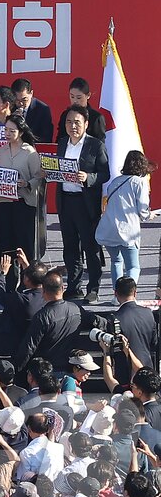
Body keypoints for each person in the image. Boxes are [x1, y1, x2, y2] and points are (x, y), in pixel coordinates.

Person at [56, 105, 109, 302]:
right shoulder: (62, 143)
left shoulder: (95, 145)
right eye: (69, 122)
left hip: (85, 203)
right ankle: (74, 285)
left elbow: (105, 174)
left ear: (86, 124)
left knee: (90, 246)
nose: (73, 126)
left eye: (77, 122)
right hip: (65, 201)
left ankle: (93, 287)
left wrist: (88, 177)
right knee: (70, 247)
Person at [0, 115, 44, 265]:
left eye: (12, 131)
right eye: (6, 130)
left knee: (24, 243)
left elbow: (38, 177)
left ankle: (27, 275)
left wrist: (26, 183)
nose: (7, 134)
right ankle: (7, 275)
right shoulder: (1, 152)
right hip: (3, 202)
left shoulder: (30, 152)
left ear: (21, 132)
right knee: (5, 243)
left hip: (23, 202)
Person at [96, 150, 153, 285]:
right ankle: (128, 293)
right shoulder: (139, 182)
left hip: (109, 229)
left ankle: (117, 292)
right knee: (133, 267)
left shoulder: (116, 181)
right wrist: (149, 215)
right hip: (128, 230)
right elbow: (143, 209)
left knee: (116, 261)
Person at [14, 273, 82, 371]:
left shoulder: (42, 316)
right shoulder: (76, 309)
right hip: (70, 367)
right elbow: (96, 320)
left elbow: (29, 347)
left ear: (43, 291)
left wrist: (17, 369)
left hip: (48, 370)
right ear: (63, 288)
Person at [110, 277, 158, 385]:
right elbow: (154, 342)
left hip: (125, 374)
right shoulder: (148, 313)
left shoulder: (115, 318)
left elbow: (113, 348)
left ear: (115, 294)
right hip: (147, 368)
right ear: (135, 293)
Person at [55, 78, 108, 145]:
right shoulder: (65, 115)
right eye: (72, 97)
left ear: (88, 95)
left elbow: (100, 144)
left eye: (79, 97)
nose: (75, 101)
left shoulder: (96, 118)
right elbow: (59, 141)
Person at [12, 78, 54, 144]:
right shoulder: (9, 107)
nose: (21, 103)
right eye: (17, 100)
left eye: (24, 100)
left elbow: (46, 138)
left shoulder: (42, 110)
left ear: (31, 93)